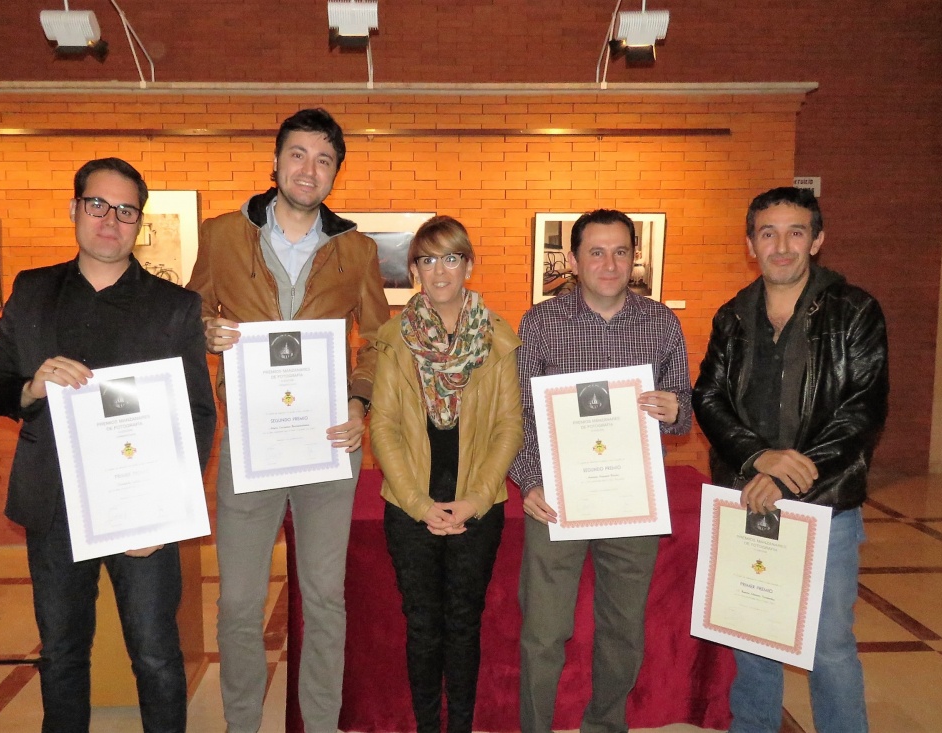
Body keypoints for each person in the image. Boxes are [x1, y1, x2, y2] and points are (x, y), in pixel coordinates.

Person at [0, 157, 216, 733]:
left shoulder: (173, 306)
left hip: (143, 516)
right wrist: (30, 387)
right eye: (98, 205)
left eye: (125, 210)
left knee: (156, 654)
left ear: (140, 222)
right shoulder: (33, 292)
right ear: (75, 209)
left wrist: (161, 515)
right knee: (60, 653)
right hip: (54, 505)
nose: (111, 219)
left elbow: (198, 414)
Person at [186, 108, 388, 733]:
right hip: (252, 445)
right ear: (275, 163)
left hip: (330, 448)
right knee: (241, 602)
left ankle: (320, 725)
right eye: (298, 155)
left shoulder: (355, 250)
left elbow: (379, 340)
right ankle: (241, 724)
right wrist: (207, 334)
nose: (310, 168)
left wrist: (361, 403)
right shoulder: (222, 235)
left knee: (325, 599)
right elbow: (184, 319)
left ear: (335, 175)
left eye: (324, 159)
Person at [693, 187, 888, 733]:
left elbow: (863, 408)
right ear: (751, 244)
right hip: (747, 498)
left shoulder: (855, 311)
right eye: (768, 233)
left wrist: (790, 474)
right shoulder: (734, 314)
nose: (781, 246)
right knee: (752, 637)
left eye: (795, 232)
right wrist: (758, 459)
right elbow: (708, 396)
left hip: (825, 504)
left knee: (827, 645)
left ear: (817, 240)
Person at [508, 209, 693, 733]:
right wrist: (530, 479)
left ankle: (604, 727)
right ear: (572, 260)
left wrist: (677, 408)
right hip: (556, 499)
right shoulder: (540, 323)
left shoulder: (660, 322)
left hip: (632, 501)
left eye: (619, 251)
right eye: (595, 251)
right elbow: (517, 413)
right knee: (543, 633)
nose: (608, 263)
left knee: (623, 632)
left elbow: (682, 412)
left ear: (635, 256)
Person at [368, 216, 524, 733]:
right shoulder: (393, 339)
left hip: (478, 509)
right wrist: (419, 504)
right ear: (414, 269)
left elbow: (509, 427)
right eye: (427, 259)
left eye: (450, 258)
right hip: (410, 509)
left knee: (462, 626)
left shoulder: (499, 337)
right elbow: (384, 428)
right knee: (423, 628)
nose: (439, 271)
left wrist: (476, 500)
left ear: (469, 265)